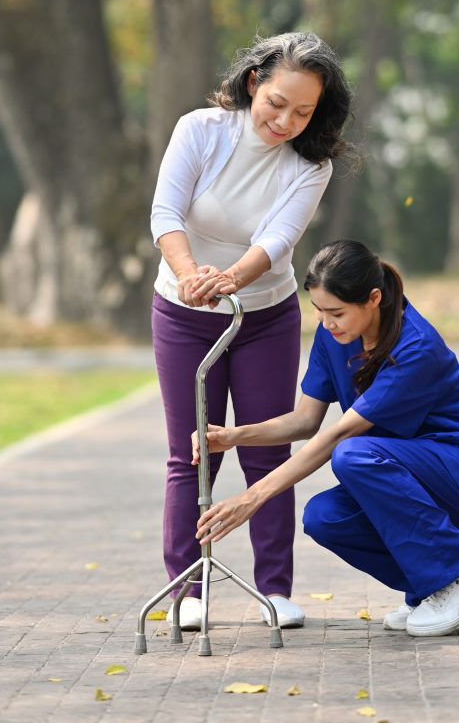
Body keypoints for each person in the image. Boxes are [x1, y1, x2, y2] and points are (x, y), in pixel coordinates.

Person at [193, 239, 459, 637]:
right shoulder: (336, 338)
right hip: (408, 472)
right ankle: (436, 587)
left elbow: (338, 437)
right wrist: (236, 435)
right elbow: (305, 421)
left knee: (352, 455)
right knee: (326, 517)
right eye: (319, 312)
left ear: (373, 299)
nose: (327, 323)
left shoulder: (415, 347)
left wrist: (253, 496)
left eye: (337, 313)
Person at [150, 32, 354, 631]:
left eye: (303, 112)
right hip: (183, 310)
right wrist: (191, 276)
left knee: (264, 449)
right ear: (252, 83)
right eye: (277, 103)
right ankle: (188, 591)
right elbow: (166, 211)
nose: (286, 120)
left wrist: (231, 278)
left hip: (265, 313)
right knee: (191, 452)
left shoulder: (310, 163)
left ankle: (274, 589)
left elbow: (279, 239)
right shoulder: (200, 130)